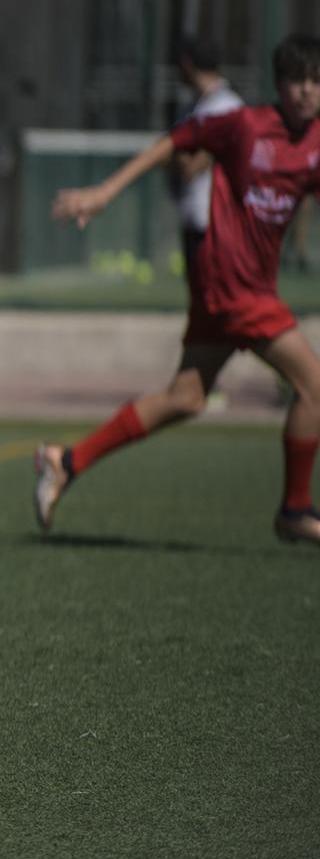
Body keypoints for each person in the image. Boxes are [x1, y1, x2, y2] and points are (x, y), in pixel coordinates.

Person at [36, 33, 320, 546]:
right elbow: (173, 142)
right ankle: (295, 510)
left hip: (243, 288)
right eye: (297, 80)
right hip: (234, 287)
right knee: (314, 388)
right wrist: (104, 192)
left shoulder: (316, 142)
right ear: (279, 84)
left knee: (185, 397)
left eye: (316, 81)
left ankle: (67, 461)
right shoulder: (244, 124)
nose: (306, 91)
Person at [170, 34, 244, 268]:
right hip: (192, 216)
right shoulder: (190, 107)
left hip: (218, 221)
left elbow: (192, 165)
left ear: (187, 64)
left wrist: (182, 152)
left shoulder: (228, 105)